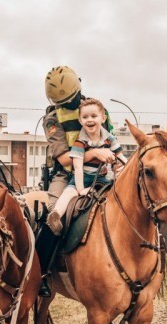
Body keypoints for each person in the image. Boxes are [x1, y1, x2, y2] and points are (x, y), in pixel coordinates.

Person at [37, 66, 116, 296]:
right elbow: (63, 158)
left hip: (101, 171)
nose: (68, 105)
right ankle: (43, 273)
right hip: (66, 174)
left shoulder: (98, 109)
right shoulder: (52, 117)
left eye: (71, 100)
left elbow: (110, 142)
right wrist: (92, 154)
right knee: (54, 215)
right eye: (63, 102)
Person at [47, 98, 123, 235]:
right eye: (85, 117)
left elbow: (121, 157)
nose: (89, 120)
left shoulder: (109, 138)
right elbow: (77, 167)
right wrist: (80, 189)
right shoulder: (80, 143)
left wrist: (126, 167)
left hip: (102, 177)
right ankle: (56, 215)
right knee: (68, 193)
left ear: (103, 118)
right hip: (84, 177)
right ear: (80, 120)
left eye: (94, 116)